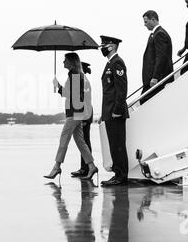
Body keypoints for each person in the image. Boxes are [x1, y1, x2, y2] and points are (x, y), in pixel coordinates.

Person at [44, 53, 99, 182]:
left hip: (74, 113)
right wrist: (59, 88)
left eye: (65, 60)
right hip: (77, 112)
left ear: (71, 62)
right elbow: (72, 94)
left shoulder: (74, 74)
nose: (63, 62)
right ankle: (91, 166)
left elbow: (72, 96)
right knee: (80, 141)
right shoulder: (77, 74)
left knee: (64, 138)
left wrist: (58, 86)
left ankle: (57, 166)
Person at [98, 36, 129, 186]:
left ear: (113, 46)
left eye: (105, 44)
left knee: (118, 145)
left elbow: (121, 89)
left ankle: (121, 176)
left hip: (116, 112)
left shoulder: (117, 62)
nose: (102, 47)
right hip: (109, 111)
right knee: (113, 144)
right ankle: (118, 173)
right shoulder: (110, 63)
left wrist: (117, 110)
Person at [141, 10, 174, 104]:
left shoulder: (159, 34)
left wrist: (155, 77)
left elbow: (161, 57)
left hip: (156, 79)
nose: (144, 25)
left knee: (145, 101)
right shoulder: (155, 34)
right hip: (152, 79)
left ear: (153, 19)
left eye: (146, 22)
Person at [71, 62, 93, 177]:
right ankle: (84, 167)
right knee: (83, 141)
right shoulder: (82, 80)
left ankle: (86, 168)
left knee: (84, 141)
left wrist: (84, 117)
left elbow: (85, 100)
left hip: (85, 114)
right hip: (84, 113)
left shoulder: (83, 81)